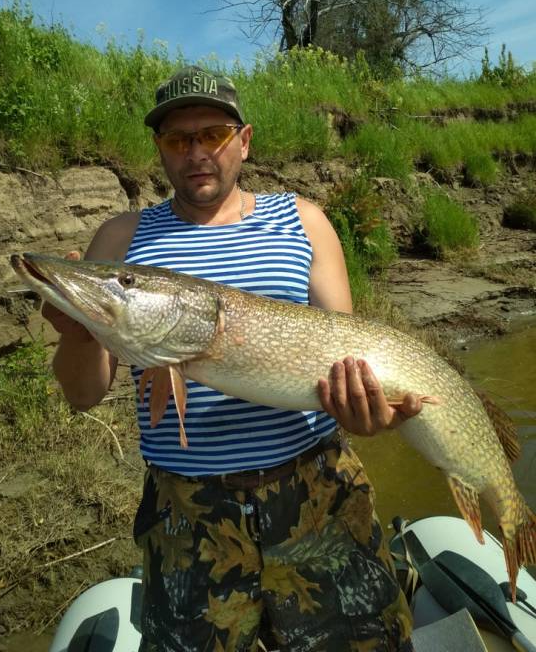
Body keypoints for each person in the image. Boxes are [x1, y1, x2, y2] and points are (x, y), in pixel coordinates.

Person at [43, 66, 422, 652]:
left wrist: (365, 418)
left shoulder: (304, 220)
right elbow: (82, 393)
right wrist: (78, 332)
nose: (197, 152)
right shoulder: (121, 240)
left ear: (243, 141)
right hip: (188, 516)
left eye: (213, 135)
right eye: (177, 139)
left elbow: (347, 358)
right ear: (159, 150)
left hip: (317, 494)